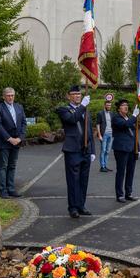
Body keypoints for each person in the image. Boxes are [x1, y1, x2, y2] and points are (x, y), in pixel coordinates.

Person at [56, 85, 95, 218]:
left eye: (79, 94)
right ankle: (73, 207)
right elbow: (72, 120)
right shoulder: (64, 109)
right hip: (72, 150)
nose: (77, 96)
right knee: (73, 180)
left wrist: (93, 150)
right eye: (74, 94)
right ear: (68, 96)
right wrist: (82, 106)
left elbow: (89, 130)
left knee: (84, 180)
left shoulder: (85, 110)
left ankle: (81, 205)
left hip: (86, 150)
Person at [0, 87, 27, 198]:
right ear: (3, 96)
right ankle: (3, 190)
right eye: (8, 95)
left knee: (12, 166)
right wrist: (9, 138)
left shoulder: (19, 107)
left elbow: (23, 123)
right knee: (3, 166)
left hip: (17, 142)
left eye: (12, 95)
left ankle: (11, 189)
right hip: (4, 142)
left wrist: (20, 138)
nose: (10, 97)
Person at [112, 99, 140, 203]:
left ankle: (129, 193)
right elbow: (125, 125)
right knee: (121, 172)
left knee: (130, 172)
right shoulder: (116, 117)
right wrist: (134, 116)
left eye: (127, 105)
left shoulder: (129, 118)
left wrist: (138, 148)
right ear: (119, 108)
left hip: (132, 148)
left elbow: (134, 134)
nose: (126, 107)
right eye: (123, 105)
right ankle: (119, 194)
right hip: (121, 149)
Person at [96, 99, 113, 172]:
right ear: (104, 105)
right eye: (108, 105)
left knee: (108, 151)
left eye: (110, 105)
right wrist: (99, 135)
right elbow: (98, 124)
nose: (109, 106)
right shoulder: (100, 113)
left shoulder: (112, 113)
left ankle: (105, 165)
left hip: (111, 134)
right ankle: (102, 166)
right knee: (103, 150)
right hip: (104, 134)